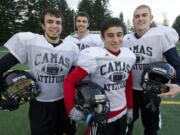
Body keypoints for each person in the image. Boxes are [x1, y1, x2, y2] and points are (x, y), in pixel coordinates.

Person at [0, 8, 78, 135]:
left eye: (58, 22)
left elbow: (74, 76)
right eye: (50, 21)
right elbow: (1, 66)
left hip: (63, 102)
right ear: (43, 25)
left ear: (62, 26)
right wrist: (2, 92)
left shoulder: (72, 48)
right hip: (39, 104)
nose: (54, 25)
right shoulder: (31, 42)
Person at [64, 18, 136, 135]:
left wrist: (130, 107)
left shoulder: (128, 56)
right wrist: (70, 108)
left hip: (122, 111)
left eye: (119, 35)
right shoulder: (94, 56)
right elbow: (69, 81)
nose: (116, 40)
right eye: (110, 35)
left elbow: (128, 83)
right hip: (100, 113)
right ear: (102, 38)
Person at [123, 4, 180, 135]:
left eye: (144, 15)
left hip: (152, 91)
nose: (140, 19)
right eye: (137, 16)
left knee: (151, 126)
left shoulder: (160, 36)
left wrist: (178, 84)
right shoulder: (126, 39)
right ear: (133, 20)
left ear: (151, 18)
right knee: (127, 123)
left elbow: (177, 64)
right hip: (129, 90)